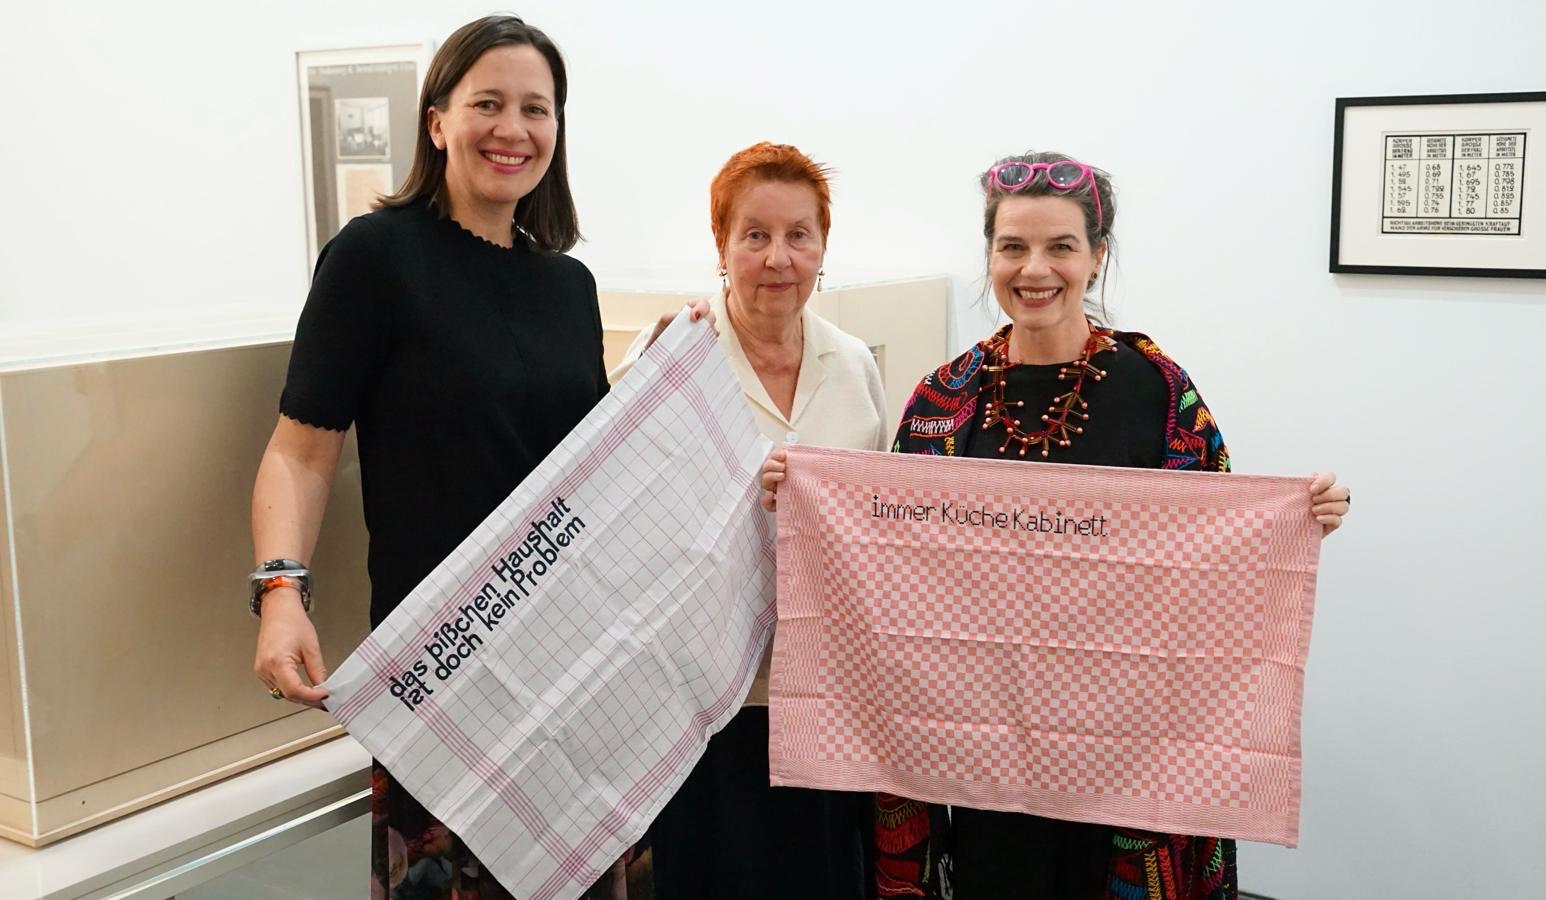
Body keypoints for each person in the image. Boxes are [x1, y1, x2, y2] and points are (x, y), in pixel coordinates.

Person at [761, 151, 1351, 899]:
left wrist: (1301, 521)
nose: (1034, 269)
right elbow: (886, 553)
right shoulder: (946, 399)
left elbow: (1220, 540)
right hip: (980, 754)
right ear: (990, 256)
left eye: (1060, 247)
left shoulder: (1157, 391)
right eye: (1012, 247)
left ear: (1097, 257)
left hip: (1130, 745)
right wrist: (806, 500)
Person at [249, 16, 704, 899]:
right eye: (487, 103)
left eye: (536, 108)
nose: (513, 128)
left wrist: (661, 388)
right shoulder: (375, 258)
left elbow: (576, 483)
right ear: (436, 121)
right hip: (445, 678)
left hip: (573, 677)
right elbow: (299, 452)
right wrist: (279, 595)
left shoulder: (565, 286)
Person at [620, 142, 889, 899]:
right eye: (756, 235)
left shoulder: (853, 363)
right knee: (712, 873)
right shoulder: (674, 354)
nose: (779, 258)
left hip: (824, 691)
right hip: (707, 696)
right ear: (722, 245)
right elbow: (618, 513)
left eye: (799, 235)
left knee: (825, 875)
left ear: (823, 249)